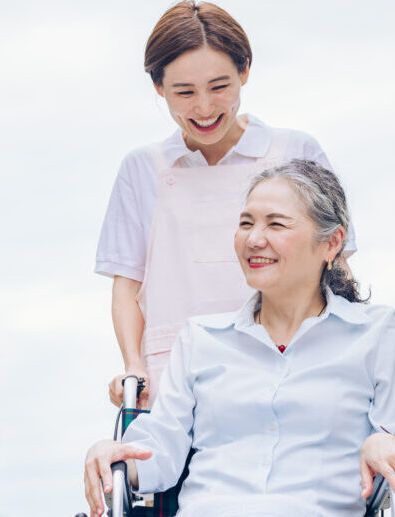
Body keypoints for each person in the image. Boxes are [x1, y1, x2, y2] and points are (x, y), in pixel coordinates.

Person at [84, 160, 395, 517]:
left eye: (276, 224)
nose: (253, 239)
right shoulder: (201, 338)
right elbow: (160, 450)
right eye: (246, 223)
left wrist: (391, 447)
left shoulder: (376, 332)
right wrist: (113, 455)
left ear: (331, 243)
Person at [95, 1, 357, 407]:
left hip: (291, 365)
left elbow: (335, 265)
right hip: (176, 375)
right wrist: (134, 365)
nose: (204, 107)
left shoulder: (295, 151)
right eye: (184, 92)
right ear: (158, 87)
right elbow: (127, 283)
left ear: (244, 70)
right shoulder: (143, 169)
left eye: (219, 87)